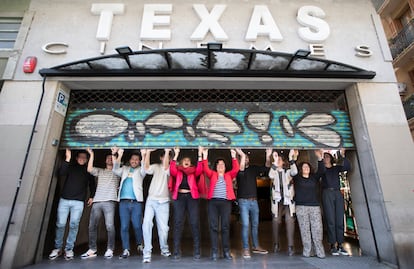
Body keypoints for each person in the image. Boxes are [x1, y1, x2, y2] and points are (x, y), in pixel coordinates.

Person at [48, 149, 96, 260]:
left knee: (74, 224)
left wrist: (92, 196)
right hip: (64, 200)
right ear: (76, 157)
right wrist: (67, 158)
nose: (82, 159)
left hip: (78, 202)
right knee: (60, 224)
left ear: (87, 159)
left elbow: (92, 184)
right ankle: (57, 248)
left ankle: (69, 249)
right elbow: (61, 173)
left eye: (84, 157)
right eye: (80, 157)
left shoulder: (88, 171)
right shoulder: (71, 167)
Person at [81, 148, 120, 259]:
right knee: (92, 226)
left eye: (111, 158)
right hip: (97, 201)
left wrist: (115, 154)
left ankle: (110, 249)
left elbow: (118, 165)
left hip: (110, 201)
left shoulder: (117, 171)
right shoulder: (100, 171)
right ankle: (92, 249)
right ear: (105, 161)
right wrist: (91, 154)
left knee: (109, 226)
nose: (109, 159)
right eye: (108, 158)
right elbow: (89, 169)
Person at [202, 147, 240, 261]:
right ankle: (214, 252)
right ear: (216, 166)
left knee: (225, 227)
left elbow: (236, 169)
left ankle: (226, 252)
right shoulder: (212, 174)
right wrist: (205, 155)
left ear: (225, 167)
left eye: (222, 164)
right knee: (213, 227)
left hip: (225, 203)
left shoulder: (229, 175)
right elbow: (205, 168)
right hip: (213, 203)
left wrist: (234, 156)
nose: (220, 166)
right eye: (218, 164)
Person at [169, 146, 204, 260]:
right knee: (178, 223)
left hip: (191, 198)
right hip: (179, 198)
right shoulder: (177, 171)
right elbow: (172, 169)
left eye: (188, 161)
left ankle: (197, 250)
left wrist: (200, 154)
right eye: (185, 160)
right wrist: (176, 154)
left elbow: (200, 169)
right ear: (182, 162)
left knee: (194, 223)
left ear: (190, 163)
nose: (187, 162)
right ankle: (176, 250)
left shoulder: (193, 171)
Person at [236, 148, 271, 259]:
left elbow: (266, 168)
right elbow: (241, 170)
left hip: (254, 201)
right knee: (246, 224)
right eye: (243, 158)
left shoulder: (253, 168)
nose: (245, 159)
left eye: (246, 158)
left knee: (255, 225)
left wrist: (268, 156)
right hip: (243, 201)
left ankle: (256, 246)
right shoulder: (237, 170)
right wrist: (241, 155)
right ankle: (246, 248)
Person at [111, 147, 146, 259]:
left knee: (137, 225)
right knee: (124, 226)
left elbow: (145, 168)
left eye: (137, 159)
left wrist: (144, 154)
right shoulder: (125, 169)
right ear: (129, 160)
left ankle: (140, 245)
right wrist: (119, 155)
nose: (134, 161)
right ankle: (126, 249)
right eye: (133, 159)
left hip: (136, 202)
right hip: (123, 202)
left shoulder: (141, 170)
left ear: (139, 161)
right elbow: (115, 169)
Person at [293, 152, 326, 259]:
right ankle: (308, 251)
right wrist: (293, 158)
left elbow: (322, 171)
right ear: (301, 169)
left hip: (314, 206)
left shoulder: (314, 177)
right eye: (304, 167)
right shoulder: (297, 178)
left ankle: (319, 251)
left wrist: (320, 158)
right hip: (301, 207)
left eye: (307, 166)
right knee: (305, 230)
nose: (306, 168)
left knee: (317, 229)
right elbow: (292, 171)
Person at [142, 148, 172, 263]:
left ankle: (164, 249)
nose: (166, 158)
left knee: (164, 229)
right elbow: (146, 168)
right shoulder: (155, 166)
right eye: (164, 156)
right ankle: (147, 252)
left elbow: (166, 168)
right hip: (151, 200)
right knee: (146, 224)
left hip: (164, 202)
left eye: (168, 156)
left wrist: (167, 151)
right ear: (160, 157)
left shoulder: (170, 168)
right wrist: (148, 152)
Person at [320, 149, 351, 256]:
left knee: (339, 219)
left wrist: (343, 155)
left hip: (337, 193)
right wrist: (319, 157)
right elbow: (319, 172)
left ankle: (340, 245)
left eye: (327, 156)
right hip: (327, 193)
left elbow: (347, 167)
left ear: (331, 158)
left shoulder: (335, 168)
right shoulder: (322, 169)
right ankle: (333, 245)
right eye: (324, 157)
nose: (326, 158)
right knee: (330, 219)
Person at [268, 150, 298, 256]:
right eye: (277, 159)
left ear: (284, 162)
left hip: (288, 201)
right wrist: (274, 163)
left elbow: (295, 172)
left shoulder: (288, 172)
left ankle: (290, 246)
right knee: (276, 221)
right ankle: (276, 243)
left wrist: (291, 159)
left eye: (280, 159)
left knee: (290, 221)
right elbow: (270, 175)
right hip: (277, 201)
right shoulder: (274, 171)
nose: (278, 161)